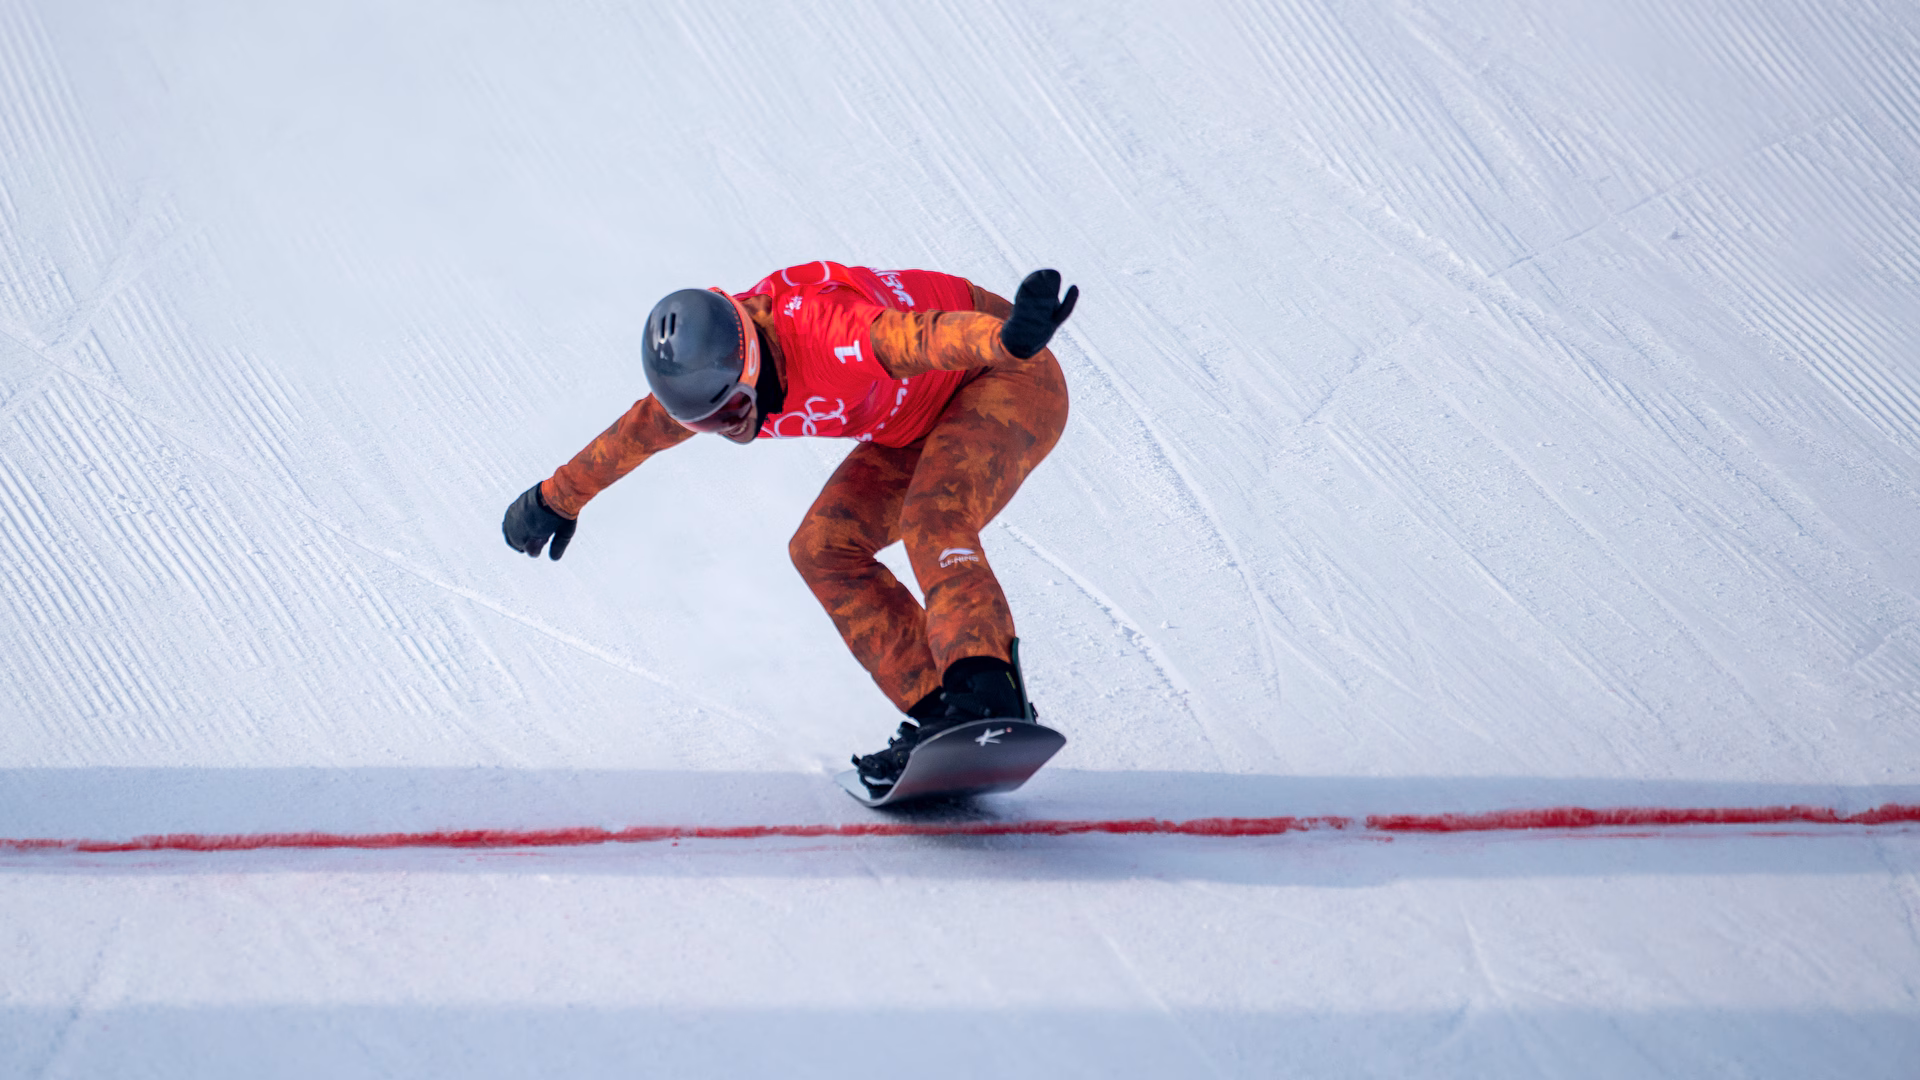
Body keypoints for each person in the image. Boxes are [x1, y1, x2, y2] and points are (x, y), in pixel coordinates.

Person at [502, 261, 1076, 792]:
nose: (732, 429)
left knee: (935, 518)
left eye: (731, 410)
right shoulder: (714, 372)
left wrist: (1004, 340)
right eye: (706, 424)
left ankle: (986, 696)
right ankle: (944, 719)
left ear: (750, 360)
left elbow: (920, 337)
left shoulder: (828, 333)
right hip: (916, 418)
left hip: (1005, 371)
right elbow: (639, 432)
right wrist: (555, 499)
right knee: (823, 549)